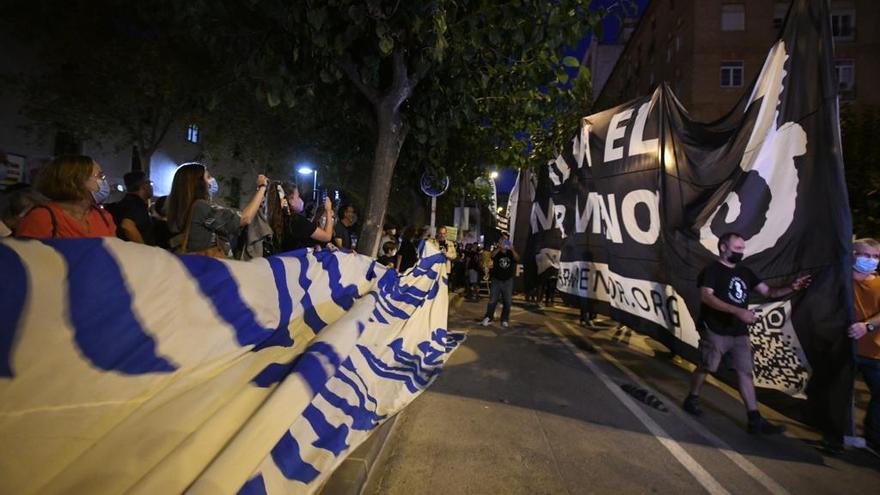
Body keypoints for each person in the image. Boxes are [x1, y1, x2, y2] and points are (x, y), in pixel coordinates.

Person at [682, 232, 811, 434]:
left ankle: (754, 419)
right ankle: (692, 397)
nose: (741, 252)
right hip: (715, 328)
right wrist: (738, 311)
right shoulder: (712, 270)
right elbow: (706, 297)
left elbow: (768, 292)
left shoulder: (745, 272)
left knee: (745, 373)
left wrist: (791, 287)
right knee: (708, 366)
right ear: (724, 247)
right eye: (738, 248)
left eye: (743, 248)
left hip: (739, 332)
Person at [166, 163, 267, 257]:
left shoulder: (183, 208)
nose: (212, 181)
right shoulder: (201, 207)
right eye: (208, 177)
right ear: (198, 183)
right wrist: (262, 187)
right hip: (210, 266)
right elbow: (245, 218)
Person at [16, 155, 116, 239]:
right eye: (100, 176)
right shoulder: (42, 216)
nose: (104, 181)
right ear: (77, 180)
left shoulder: (103, 217)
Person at [846, 238, 880, 451]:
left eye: (875, 257)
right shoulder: (839, 280)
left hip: (874, 352)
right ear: (853, 254)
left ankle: (873, 439)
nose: (871, 260)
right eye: (865, 255)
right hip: (845, 348)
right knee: (837, 392)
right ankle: (836, 434)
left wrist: (866, 326)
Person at [267, 182, 334, 252]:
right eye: (298, 196)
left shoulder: (276, 219)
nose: (300, 200)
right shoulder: (297, 221)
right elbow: (327, 236)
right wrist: (328, 210)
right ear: (290, 200)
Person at [107, 171, 155, 245]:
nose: (152, 186)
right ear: (143, 186)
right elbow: (127, 226)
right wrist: (145, 249)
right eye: (150, 183)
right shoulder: (137, 204)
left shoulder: (123, 204)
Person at [481, 236, 520, 328]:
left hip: (508, 280)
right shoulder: (497, 252)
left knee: (508, 301)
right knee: (492, 300)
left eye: (505, 242)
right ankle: (488, 317)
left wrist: (512, 249)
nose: (504, 244)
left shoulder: (510, 252)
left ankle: (505, 319)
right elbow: (492, 255)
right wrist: (499, 248)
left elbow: (517, 259)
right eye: (502, 242)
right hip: (496, 280)